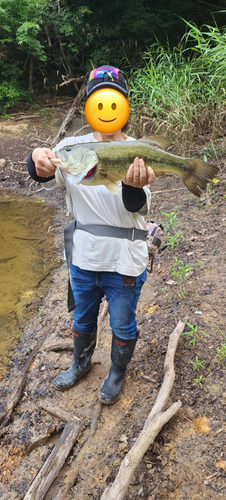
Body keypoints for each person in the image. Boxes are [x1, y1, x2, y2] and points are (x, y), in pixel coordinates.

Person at [27, 65, 156, 405]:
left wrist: (132, 183)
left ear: (124, 106)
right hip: (84, 258)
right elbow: (45, 172)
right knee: (82, 316)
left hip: (125, 260)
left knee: (123, 322)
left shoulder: (138, 152)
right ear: (87, 104)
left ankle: (116, 372)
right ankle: (80, 363)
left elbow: (138, 206)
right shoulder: (71, 147)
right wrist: (35, 161)